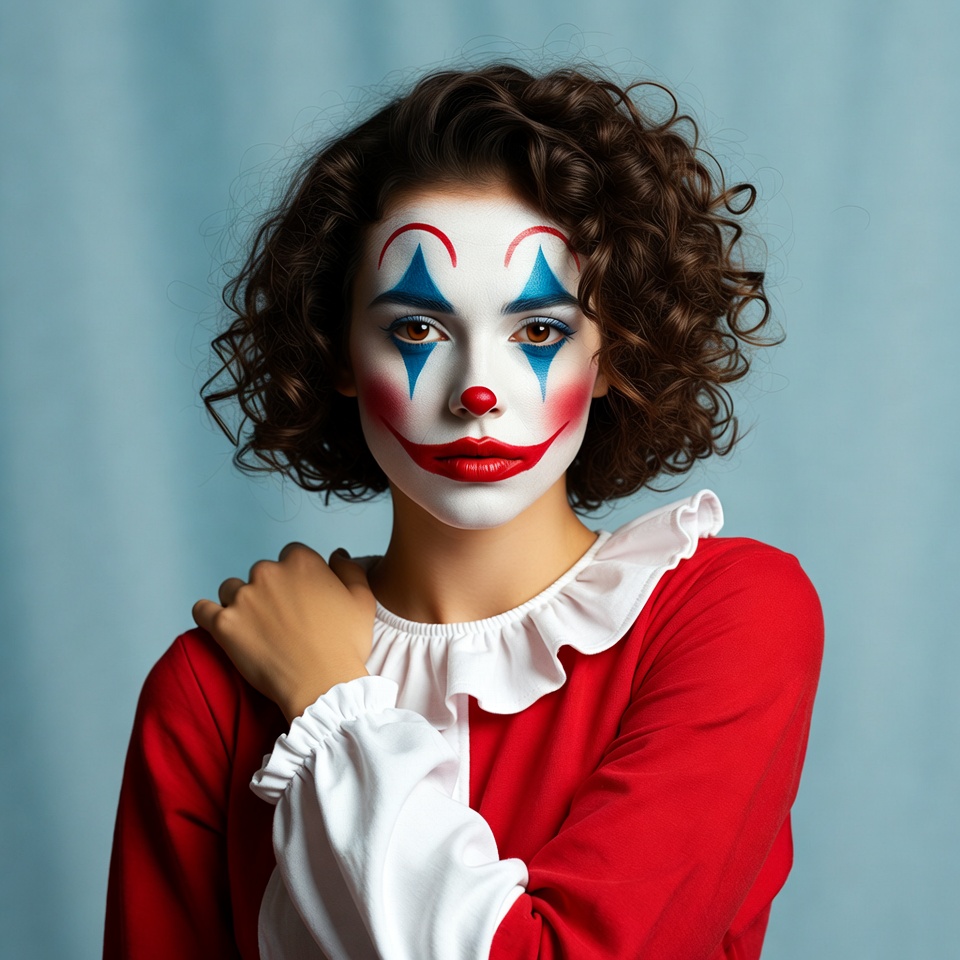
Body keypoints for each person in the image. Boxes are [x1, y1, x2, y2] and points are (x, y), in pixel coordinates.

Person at [104, 63, 823, 960]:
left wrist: (335, 705)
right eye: (417, 328)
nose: (477, 390)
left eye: (539, 331)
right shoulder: (210, 693)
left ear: (611, 354)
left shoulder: (728, 617)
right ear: (336, 349)